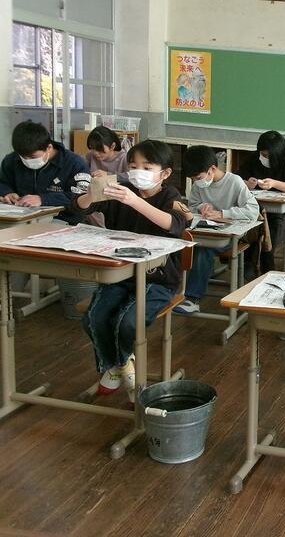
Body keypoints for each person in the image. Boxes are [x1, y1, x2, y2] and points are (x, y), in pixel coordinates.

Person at [70, 140, 187, 401]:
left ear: (165, 173)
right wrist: (93, 192)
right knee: (94, 318)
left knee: (127, 323)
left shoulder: (171, 196)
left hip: (158, 279)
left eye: (147, 167)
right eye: (133, 166)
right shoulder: (121, 190)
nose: (138, 172)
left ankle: (117, 367)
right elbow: (77, 209)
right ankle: (122, 367)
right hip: (120, 274)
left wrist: (134, 201)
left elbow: (174, 224)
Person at [176, 145, 260, 315]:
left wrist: (222, 213)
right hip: (204, 232)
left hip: (228, 236)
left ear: (212, 169)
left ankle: (192, 298)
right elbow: (192, 205)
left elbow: (253, 211)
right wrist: (202, 207)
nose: (196, 182)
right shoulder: (199, 184)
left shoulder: (234, 182)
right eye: (193, 178)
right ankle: (176, 291)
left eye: (198, 177)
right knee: (187, 245)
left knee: (203, 250)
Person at [236, 130, 285, 272]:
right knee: (251, 227)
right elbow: (237, 178)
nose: (264, 158)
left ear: (277, 154)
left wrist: (274, 184)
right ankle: (248, 267)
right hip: (256, 209)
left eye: (268, 156)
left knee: (273, 229)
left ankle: (266, 263)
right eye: (263, 154)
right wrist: (247, 183)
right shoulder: (254, 158)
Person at [0, 120, 89, 225]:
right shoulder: (11, 160)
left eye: (33, 157)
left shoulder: (74, 164)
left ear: (49, 148)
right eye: (23, 157)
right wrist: (7, 193)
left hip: (63, 220)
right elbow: (2, 182)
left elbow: (82, 197)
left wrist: (43, 199)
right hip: (21, 218)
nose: (27, 160)